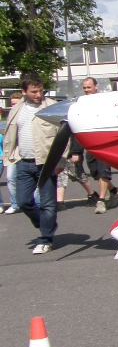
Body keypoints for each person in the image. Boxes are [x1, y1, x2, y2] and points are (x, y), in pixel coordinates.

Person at [3, 72, 66, 254]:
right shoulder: (17, 110)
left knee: (48, 203)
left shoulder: (52, 108)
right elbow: (10, 135)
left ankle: (45, 238)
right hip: (23, 161)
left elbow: (64, 137)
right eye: (34, 92)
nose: (38, 95)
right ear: (24, 92)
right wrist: (10, 156)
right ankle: (46, 223)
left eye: (40, 91)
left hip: (47, 162)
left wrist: (60, 160)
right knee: (23, 202)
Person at [80, 77, 118, 213]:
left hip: (105, 143)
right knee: (96, 174)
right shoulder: (82, 104)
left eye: (89, 87)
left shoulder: (103, 102)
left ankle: (101, 201)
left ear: (96, 87)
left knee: (103, 173)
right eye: (85, 88)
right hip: (90, 144)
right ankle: (114, 190)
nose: (87, 90)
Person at [3, 91, 22, 213]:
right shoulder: (10, 115)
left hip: (24, 150)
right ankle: (15, 203)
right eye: (12, 104)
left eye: (16, 103)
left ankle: (32, 202)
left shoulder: (25, 114)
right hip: (12, 152)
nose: (13, 106)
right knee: (10, 177)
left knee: (29, 179)